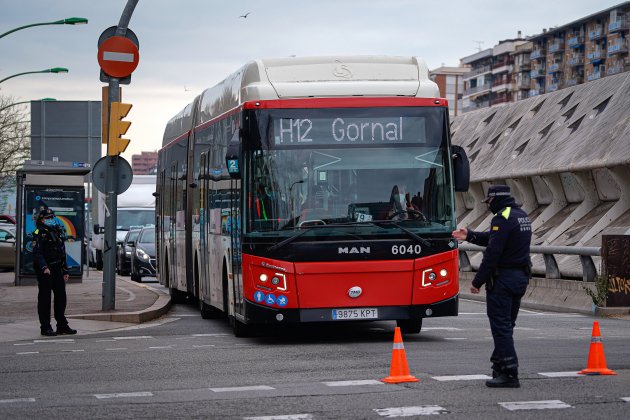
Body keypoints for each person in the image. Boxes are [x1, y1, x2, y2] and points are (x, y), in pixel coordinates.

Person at [452, 185, 531, 388]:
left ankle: (510, 373)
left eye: (488, 202)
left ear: (495, 200)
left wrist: (478, 281)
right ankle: (499, 367)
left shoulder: (502, 218)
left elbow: (493, 252)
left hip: (503, 280)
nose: (488, 206)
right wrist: (469, 235)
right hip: (520, 278)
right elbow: (495, 238)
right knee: (507, 325)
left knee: (501, 327)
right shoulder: (521, 215)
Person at [32, 208, 77, 336]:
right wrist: (44, 267)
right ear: (41, 219)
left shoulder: (56, 231)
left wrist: (65, 269)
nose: (51, 219)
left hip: (57, 268)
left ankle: (62, 325)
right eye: (48, 218)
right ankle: (45, 327)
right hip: (45, 270)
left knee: (61, 297)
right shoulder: (38, 232)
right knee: (45, 299)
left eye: (52, 217)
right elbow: (37, 253)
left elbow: (62, 251)